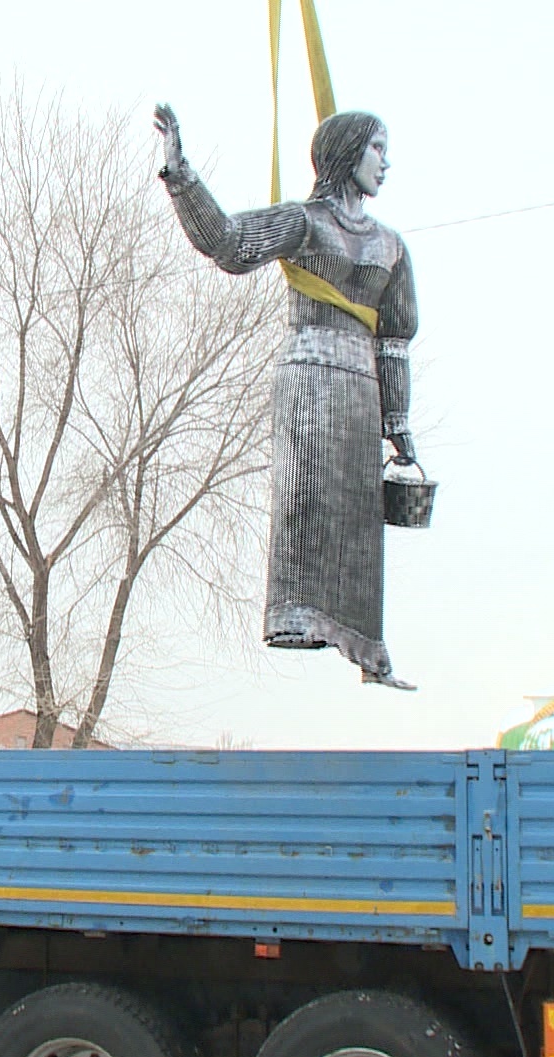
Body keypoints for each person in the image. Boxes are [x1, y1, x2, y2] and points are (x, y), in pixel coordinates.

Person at [153, 104, 417, 689]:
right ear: (349, 154)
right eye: (378, 148)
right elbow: (228, 243)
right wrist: (181, 175)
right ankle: (297, 614)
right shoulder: (304, 223)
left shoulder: (391, 247)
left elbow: (395, 341)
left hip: (362, 391)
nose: (387, 162)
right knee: (304, 498)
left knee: (357, 520)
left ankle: (365, 645)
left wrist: (399, 426)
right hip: (306, 374)